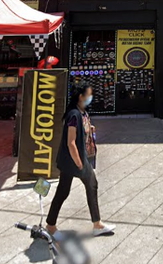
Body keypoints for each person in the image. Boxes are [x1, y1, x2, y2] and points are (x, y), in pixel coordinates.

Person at [46, 84, 114, 239]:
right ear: (80, 97)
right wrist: (79, 163)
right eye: (88, 95)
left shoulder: (82, 113)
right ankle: (95, 224)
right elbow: (71, 142)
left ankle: (52, 225)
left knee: (67, 190)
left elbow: (80, 130)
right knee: (87, 185)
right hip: (75, 160)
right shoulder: (73, 115)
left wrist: (89, 129)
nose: (91, 98)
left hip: (75, 160)